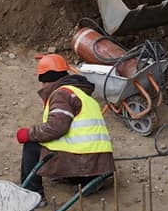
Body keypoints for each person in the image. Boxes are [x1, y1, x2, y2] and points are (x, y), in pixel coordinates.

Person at [16, 54, 115, 203]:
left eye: (43, 82)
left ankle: (32, 196)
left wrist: (28, 134)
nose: (42, 87)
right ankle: (90, 180)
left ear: (48, 80)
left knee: (31, 146)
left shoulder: (62, 94)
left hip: (84, 161)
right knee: (50, 146)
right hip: (100, 161)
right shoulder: (82, 95)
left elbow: (56, 127)